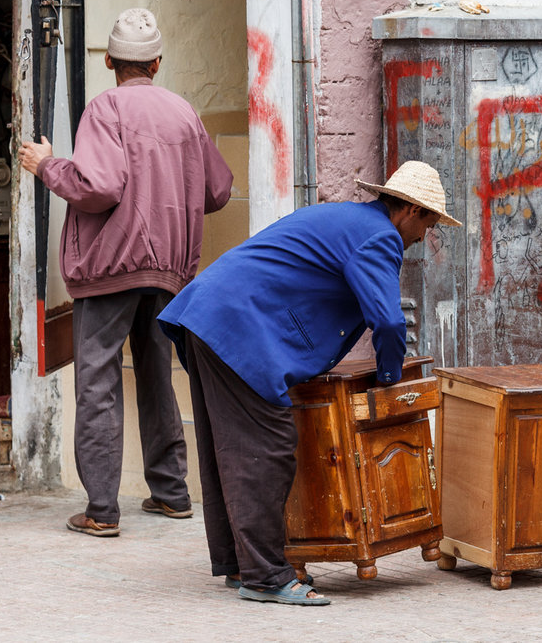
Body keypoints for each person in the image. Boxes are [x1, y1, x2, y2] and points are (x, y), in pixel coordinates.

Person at [157, 160, 461, 605]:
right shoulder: (379, 236)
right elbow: (389, 322)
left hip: (210, 315)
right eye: (428, 225)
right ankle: (266, 577)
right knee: (268, 448)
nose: (422, 238)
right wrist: (389, 378)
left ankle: (242, 566)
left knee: (232, 449)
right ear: (412, 211)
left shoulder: (350, 219)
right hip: (238, 326)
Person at [17, 8, 233, 537]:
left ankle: (101, 510)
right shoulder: (184, 113)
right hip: (169, 271)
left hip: (111, 267)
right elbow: (218, 190)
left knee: (97, 380)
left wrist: (47, 166)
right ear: (157, 63)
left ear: (109, 61)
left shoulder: (105, 107)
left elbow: (99, 186)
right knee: (157, 375)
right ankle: (172, 494)